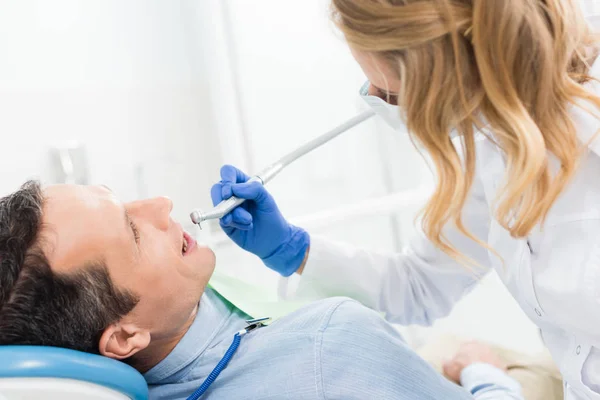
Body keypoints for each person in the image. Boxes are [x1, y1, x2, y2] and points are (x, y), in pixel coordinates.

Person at [209, 1, 600, 399]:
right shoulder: (489, 143)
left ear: (443, 67)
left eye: (389, 93)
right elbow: (419, 286)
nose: (376, 101)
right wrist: (293, 249)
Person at [0, 181, 525, 400]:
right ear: (123, 336)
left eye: (127, 199)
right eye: (133, 232)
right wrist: (485, 374)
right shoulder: (332, 342)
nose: (159, 206)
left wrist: (296, 253)